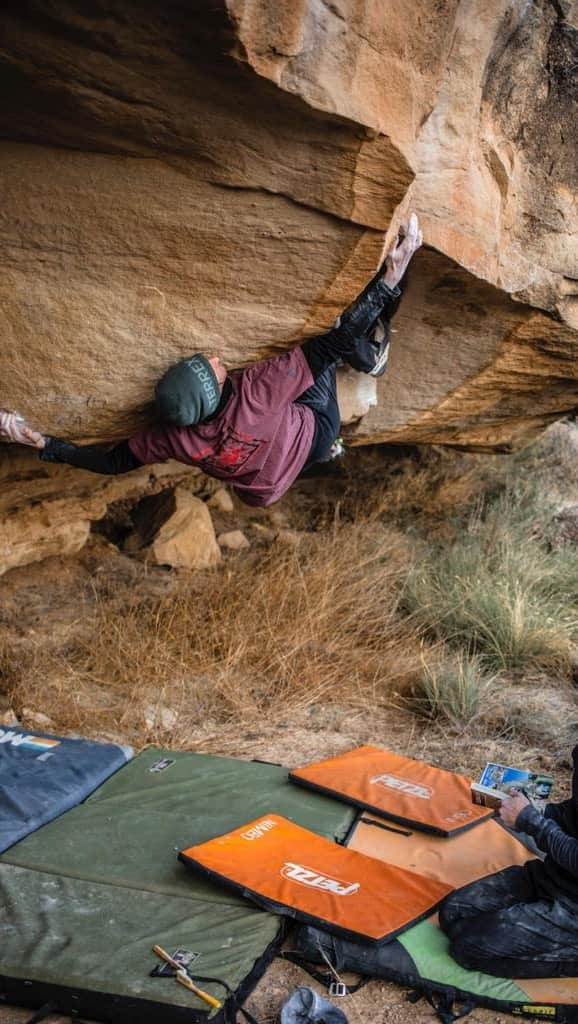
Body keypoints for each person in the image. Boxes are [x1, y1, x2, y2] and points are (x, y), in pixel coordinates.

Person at [0, 216, 422, 508]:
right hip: (312, 431)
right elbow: (336, 343)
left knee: (309, 391)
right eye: (215, 367)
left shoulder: (172, 439)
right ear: (220, 388)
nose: (219, 359)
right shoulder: (260, 391)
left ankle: (324, 453)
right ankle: (375, 358)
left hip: (259, 490)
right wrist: (390, 279)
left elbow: (112, 463)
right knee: (329, 335)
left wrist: (43, 444)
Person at [439, 744, 578, 978]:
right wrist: (523, 806)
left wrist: (530, 820)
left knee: (467, 949)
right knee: (452, 912)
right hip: (554, 877)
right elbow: (572, 813)